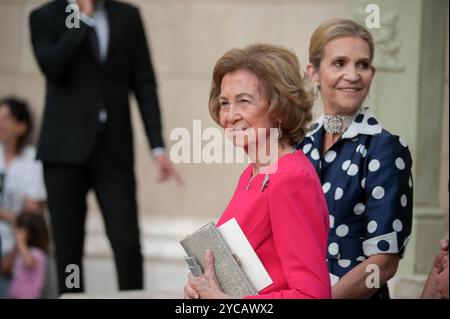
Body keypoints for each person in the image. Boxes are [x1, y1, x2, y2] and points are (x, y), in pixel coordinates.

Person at [29, 0, 180, 294]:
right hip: (63, 151)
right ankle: (72, 297)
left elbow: (144, 82)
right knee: (68, 245)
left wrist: (157, 147)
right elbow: (52, 65)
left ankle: (133, 297)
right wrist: (82, 18)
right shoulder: (45, 16)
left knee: (127, 242)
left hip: (113, 148)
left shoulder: (128, 16)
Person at [184, 43, 331, 299]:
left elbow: (312, 295)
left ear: (280, 109)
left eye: (244, 101)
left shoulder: (291, 179)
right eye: (224, 103)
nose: (230, 116)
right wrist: (200, 288)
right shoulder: (252, 175)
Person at [298, 19, 413, 298]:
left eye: (362, 65)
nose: (353, 75)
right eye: (339, 63)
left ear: (372, 72)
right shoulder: (300, 145)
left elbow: (383, 265)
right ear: (314, 72)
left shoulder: (385, 149)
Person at [0, 97, 47, 298]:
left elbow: (32, 214)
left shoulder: (32, 160)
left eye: (6, 117)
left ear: (22, 126)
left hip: (14, 250)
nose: (0, 122)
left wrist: (14, 254)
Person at [7, 211, 50, 299]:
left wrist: (20, 241)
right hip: (14, 295)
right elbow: (5, 267)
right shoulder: (21, 251)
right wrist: (17, 246)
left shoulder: (38, 253)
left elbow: (29, 263)